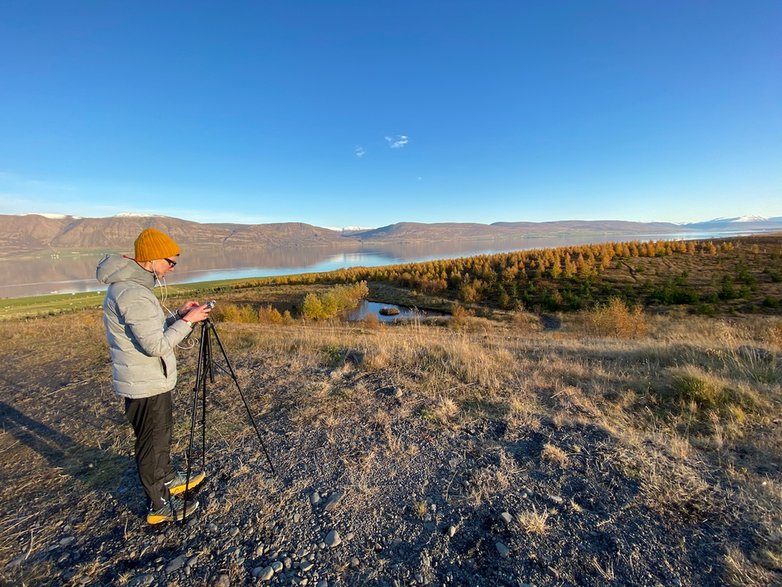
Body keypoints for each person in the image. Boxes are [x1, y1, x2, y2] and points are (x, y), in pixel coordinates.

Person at [96, 227, 212, 524]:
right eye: (170, 262)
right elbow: (155, 344)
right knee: (152, 441)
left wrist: (175, 315)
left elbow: (149, 327)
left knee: (161, 434)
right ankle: (158, 506)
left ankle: (169, 478)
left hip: (149, 378)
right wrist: (187, 321)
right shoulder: (131, 292)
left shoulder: (134, 287)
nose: (172, 269)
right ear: (150, 258)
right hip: (144, 380)